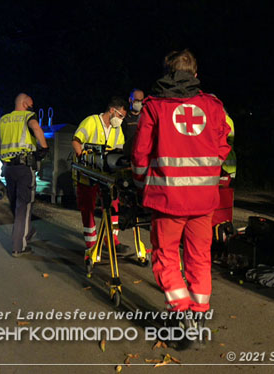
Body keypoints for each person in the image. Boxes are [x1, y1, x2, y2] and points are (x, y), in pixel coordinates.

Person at [131, 50, 231, 335]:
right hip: (204, 199)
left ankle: (182, 312)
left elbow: (140, 153)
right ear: (195, 75)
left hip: (167, 200)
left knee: (166, 256)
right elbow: (224, 143)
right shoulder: (213, 105)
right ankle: (199, 316)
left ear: (167, 73)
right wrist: (209, 169)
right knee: (200, 256)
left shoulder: (154, 106)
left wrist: (141, 184)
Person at [72, 97, 131, 254]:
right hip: (87, 173)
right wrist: (83, 158)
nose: (121, 120)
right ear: (112, 110)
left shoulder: (117, 129)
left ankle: (111, 241)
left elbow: (119, 152)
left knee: (113, 205)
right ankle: (91, 244)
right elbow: (76, 141)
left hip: (107, 174)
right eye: (120, 116)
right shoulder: (91, 122)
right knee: (88, 207)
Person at [0, 93, 48, 257]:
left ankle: (27, 231)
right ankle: (19, 246)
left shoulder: (2, 120)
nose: (33, 104)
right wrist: (44, 148)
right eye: (31, 101)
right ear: (25, 103)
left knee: (16, 203)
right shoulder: (28, 116)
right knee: (24, 205)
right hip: (25, 168)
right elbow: (36, 128)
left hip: (9, 169)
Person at [122, 89, 145, 157]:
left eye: (141, 101)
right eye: (137, 100)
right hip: (128, 154)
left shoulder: (146, 117)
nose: (139, 103)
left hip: (142, 153)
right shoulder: (124, 117)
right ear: (130, 100)